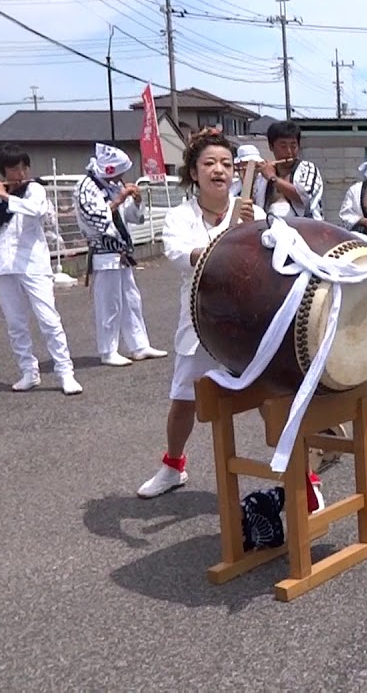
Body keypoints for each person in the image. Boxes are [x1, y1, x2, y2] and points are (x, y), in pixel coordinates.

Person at [135, 128, 324, 512]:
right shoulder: (178, 217)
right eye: (209, 164)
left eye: (225, 164)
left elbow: (264, 261)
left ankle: (306, 478)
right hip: (200, 322)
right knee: (183, 400)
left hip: (246, 325)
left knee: (269, 399)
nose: (218, 170)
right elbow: (180, 255)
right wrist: (229, 233)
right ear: (193, 173)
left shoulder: (251, 212)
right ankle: (173, 465)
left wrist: (249, 229)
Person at [0, 145, 82, 395]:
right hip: (5, 267)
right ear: (3, 170)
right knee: (15, 323)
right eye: (12, 168)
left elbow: (37, 210)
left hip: (33, 265)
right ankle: (28, 371)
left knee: (48, 319)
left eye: (22, 167)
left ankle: (65, 372)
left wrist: (6, 196)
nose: (18, 172)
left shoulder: (34, 189)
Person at [74, 143, 168, 367]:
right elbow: (96, 219)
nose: (122, 176)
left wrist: (136, 201)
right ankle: (108, 350)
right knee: (109, 303)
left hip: (122, 252)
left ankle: (139, 345)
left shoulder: (112, 185)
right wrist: (119, 199)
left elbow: (133, 218)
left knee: (131, 299)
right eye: (120, 171)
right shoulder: (86, 186)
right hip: (104, 252)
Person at [252, 120, 324, 219]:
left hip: (306, 230)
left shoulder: (308, 168)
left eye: (293, 146)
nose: (289, 152)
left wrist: (273, 178)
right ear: (271, 147)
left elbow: (305, 197)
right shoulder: (262, 177)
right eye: (283, 146)